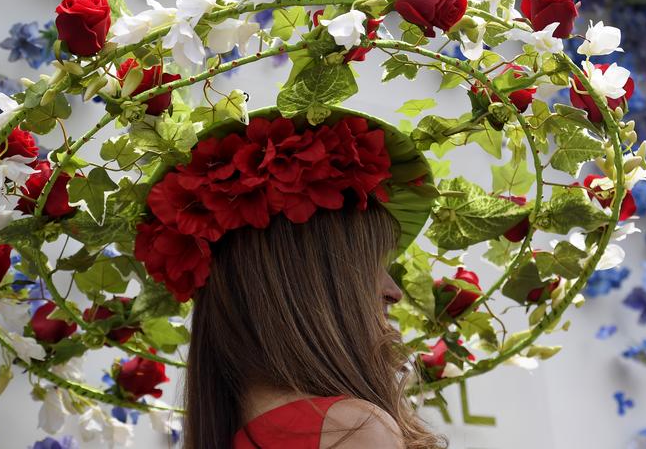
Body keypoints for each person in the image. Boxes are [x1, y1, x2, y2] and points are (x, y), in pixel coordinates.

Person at [182, 192, 447, 448]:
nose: (394, 292)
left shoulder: (231, 431)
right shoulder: (349, 429)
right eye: (372, 265)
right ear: (313, 285)